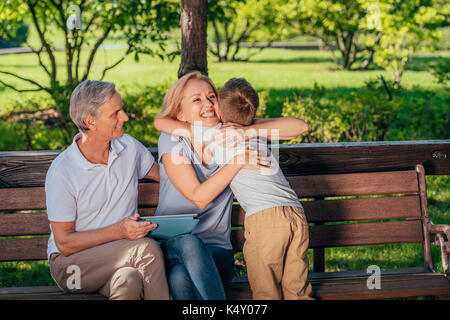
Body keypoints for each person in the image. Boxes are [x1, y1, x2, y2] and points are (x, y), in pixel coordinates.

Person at [153, 71, 309, 300]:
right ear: (180, 113)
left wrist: (247, 130)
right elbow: (199, 197)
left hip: (218, 252)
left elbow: (299, 126)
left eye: (211, 96)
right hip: (176, 246)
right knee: (188, 246)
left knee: (179, 278)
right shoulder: (173, 140)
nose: (207, 103)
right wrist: (237, 161)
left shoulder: (232, 130)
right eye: (196, 99)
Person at [45, 80, 170, 300]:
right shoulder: (63, 172)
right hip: (71, 268)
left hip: (118, 258)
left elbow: (169, 178)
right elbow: (64, 243)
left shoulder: (129, 147)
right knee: (146, 250)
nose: (125, 117)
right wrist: (119, 232)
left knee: (129, 282)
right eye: (116, 113)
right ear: (90, 121)